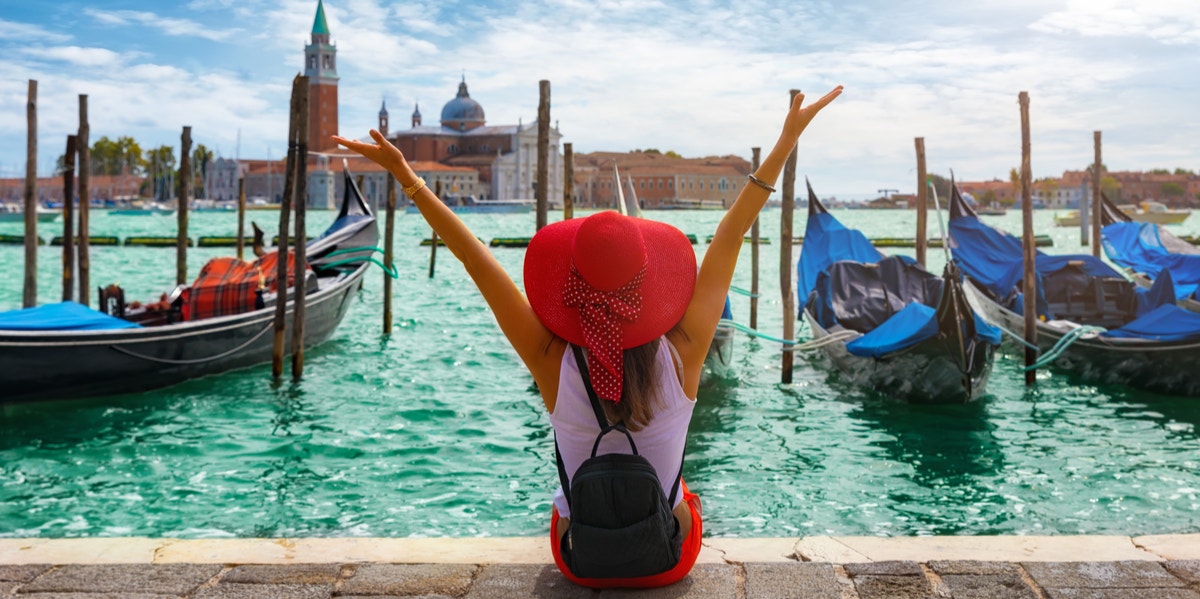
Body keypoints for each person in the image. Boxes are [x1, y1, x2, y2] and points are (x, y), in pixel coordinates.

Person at [333, 84, 842, 588]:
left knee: (570, 497)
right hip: (667, 563)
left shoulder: (550, 358)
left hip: (579, 561)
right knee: (682, 490)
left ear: (573, 283)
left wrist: (406, 176)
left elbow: (474, 258)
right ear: (649, 288)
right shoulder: (685, 352)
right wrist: (786, 140)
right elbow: (733, 233)